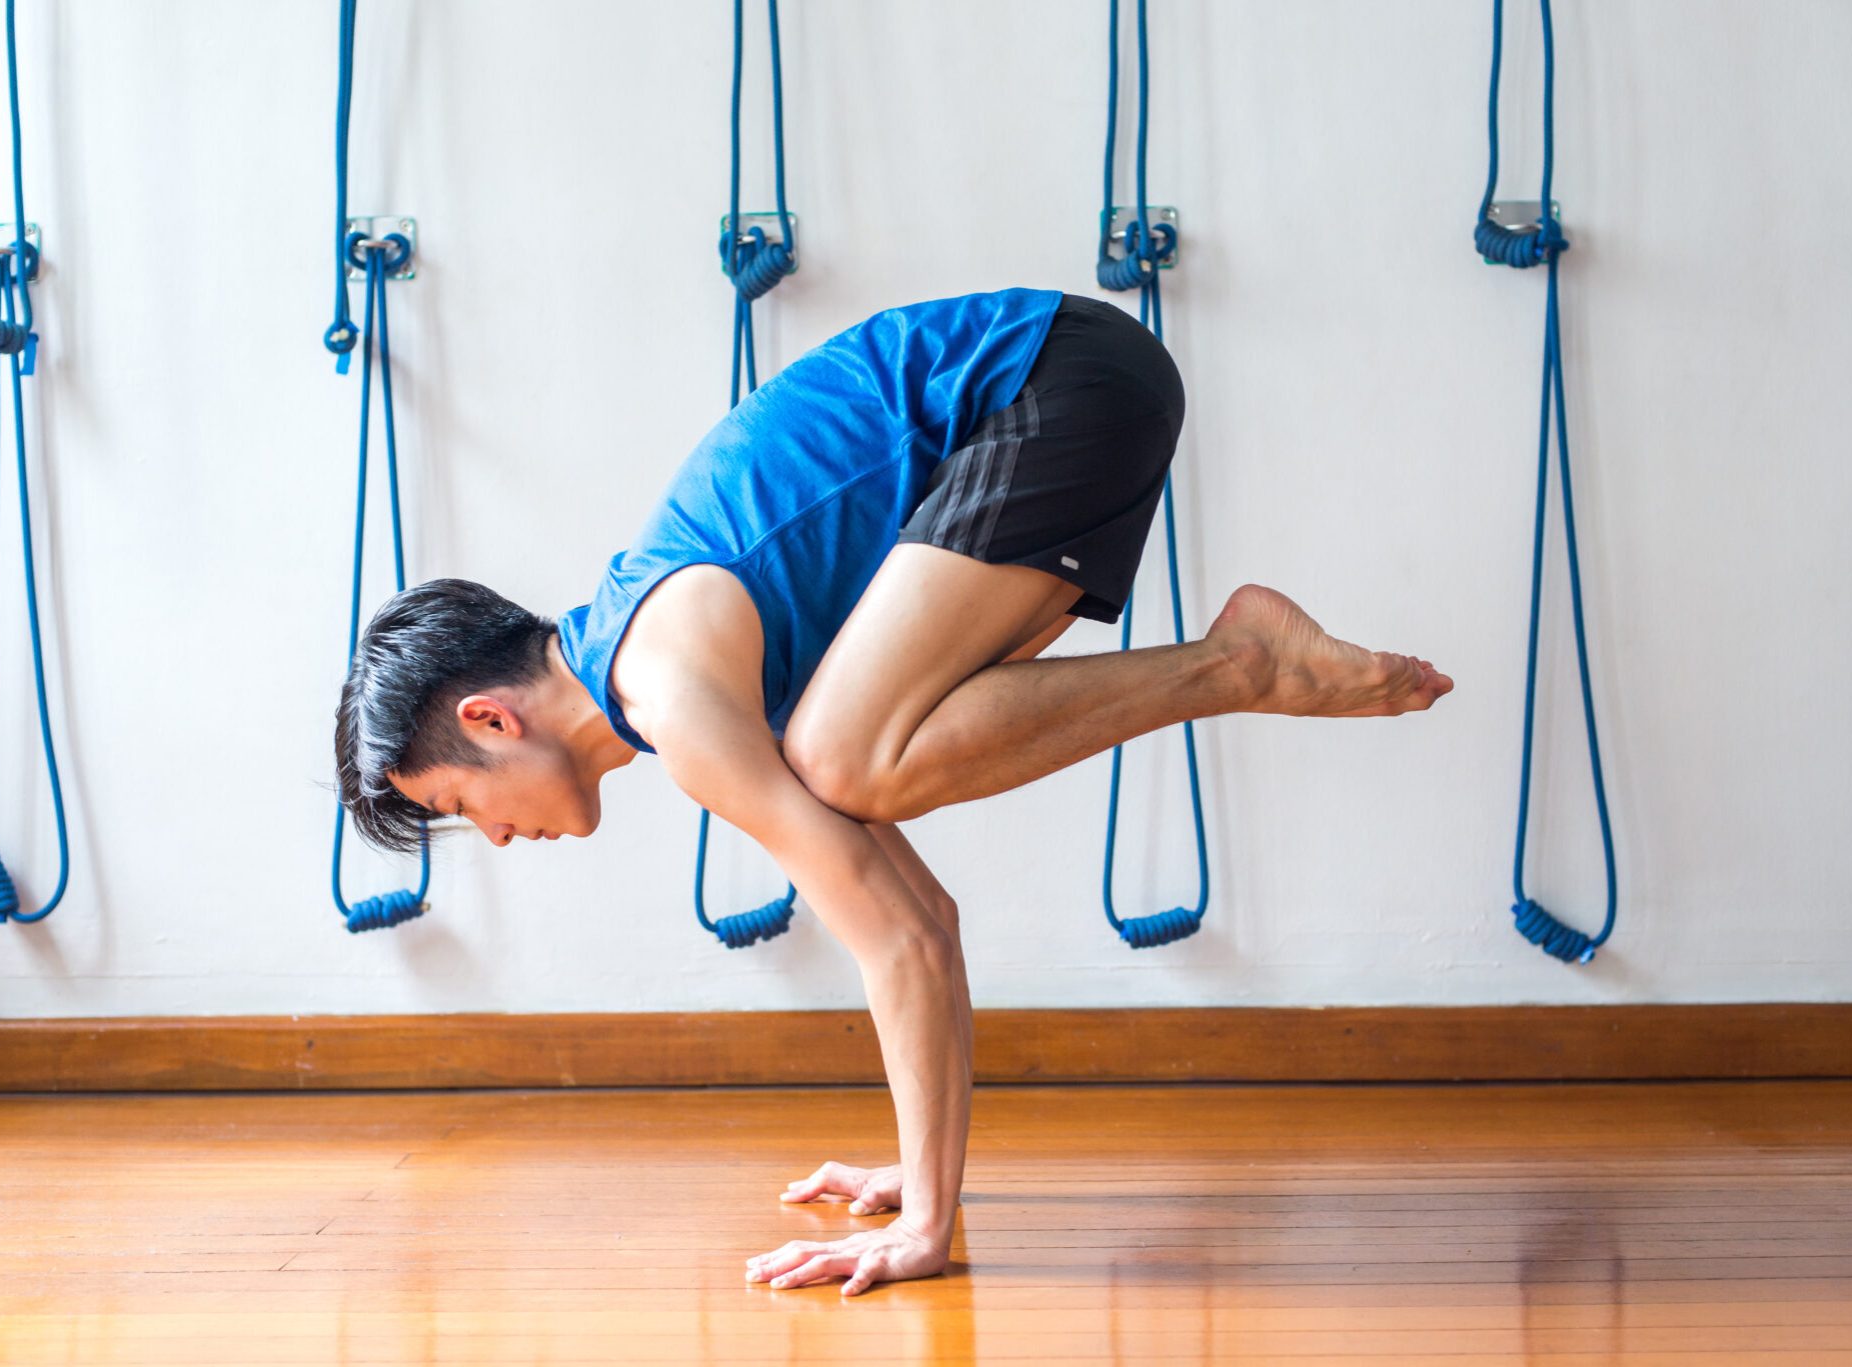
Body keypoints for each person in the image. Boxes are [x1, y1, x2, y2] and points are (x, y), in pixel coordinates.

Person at [332, 287, 1453, 1295]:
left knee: (847, 760)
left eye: (456, 810)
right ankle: (1238, 662)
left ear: (490, 717)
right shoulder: (680, 675)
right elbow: (920, 921)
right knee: (853, 758)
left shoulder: (670, 690)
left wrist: (927, 1222)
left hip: (1047, 382)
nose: (497, 838)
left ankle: (1239, 662)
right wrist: (922, 1173)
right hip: (1068, 386)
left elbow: (900, 942)